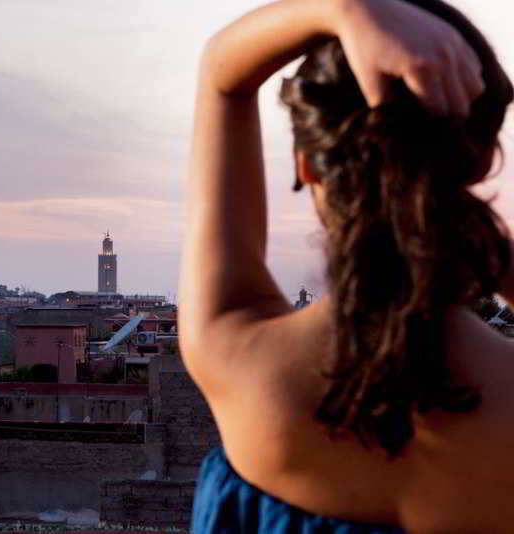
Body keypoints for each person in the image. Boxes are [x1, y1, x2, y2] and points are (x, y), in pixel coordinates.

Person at [178, 0, 514, 531]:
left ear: (307, 166)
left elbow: (223, 74)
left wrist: (344, 9)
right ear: (480, 164)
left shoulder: (237, 356)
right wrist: (480, 241)